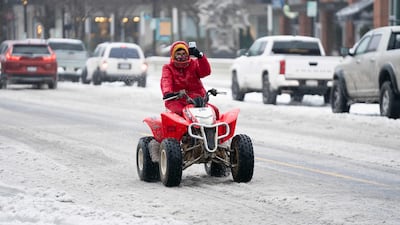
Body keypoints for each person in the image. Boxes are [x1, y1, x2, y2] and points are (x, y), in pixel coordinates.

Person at [160, 41, 211, 116]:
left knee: (213, 112)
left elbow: (205, 72)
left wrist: (200, 56)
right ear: (173, 55)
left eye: (184, 54)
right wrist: (168, 93)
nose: (181, 56)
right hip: (177, 100)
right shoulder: (168, 68)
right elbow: (166, 81)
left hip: (197, 101)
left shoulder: (194, 64)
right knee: (181, 114)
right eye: (178, 54)